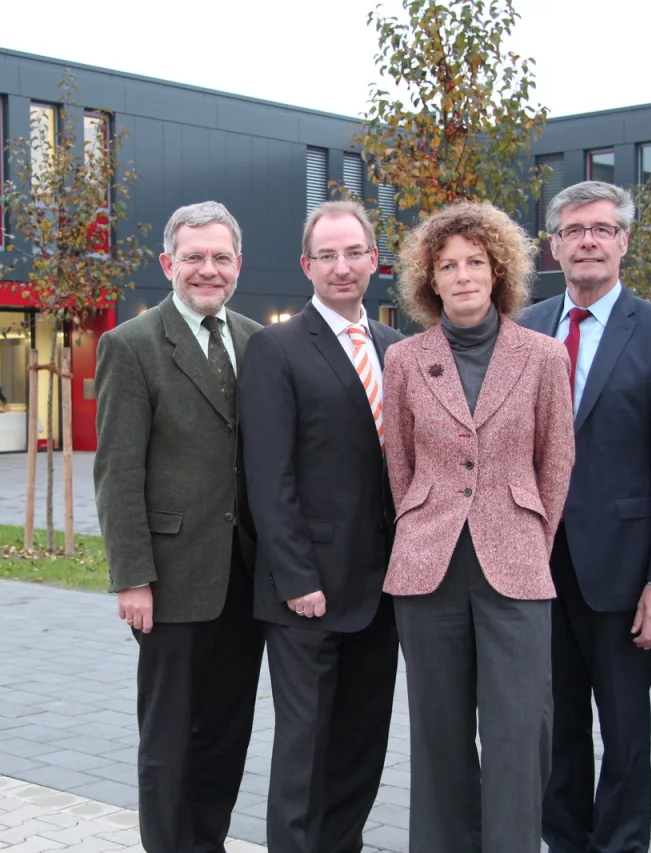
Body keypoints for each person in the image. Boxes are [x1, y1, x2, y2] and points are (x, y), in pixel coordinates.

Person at [381, 201, 575, 852]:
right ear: (429, 280)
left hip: (515, 564)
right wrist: (424, 524)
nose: (462, 275)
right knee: (437, 732)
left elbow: (555, 460)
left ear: (498, 272)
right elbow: (400, 463)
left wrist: (529, 539)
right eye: (447, 265)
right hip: (428, 567)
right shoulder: (405, 360)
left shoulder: (543, 356)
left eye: (475, 262)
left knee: (518, 730)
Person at [519, 181, 651, 853]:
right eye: (573, 230)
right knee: (555, 726)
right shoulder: (523, 327)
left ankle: (621, 844)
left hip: (624, 573)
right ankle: (564, 840)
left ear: (624, 241)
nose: (588, 241)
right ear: (554, 246)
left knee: (625, 732)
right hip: (535, 569)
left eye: (601, 229)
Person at [94, 201, 265, 853]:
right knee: (170, 739)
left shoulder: (256, 340)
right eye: (194, 257)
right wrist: (131, 577)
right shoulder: (131, 345)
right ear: (168, 263)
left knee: (227, 733)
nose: (207, 269)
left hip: (245, 578)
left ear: (239, 264)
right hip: (169, 581)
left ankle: (207, 843)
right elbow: (117, 473)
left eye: (220, 257)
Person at [238, 200, 402, 853]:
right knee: (304, 753)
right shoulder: (275, 348)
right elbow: (268, 475)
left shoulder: (396, 347)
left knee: (363, 742)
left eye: (353, 252)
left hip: (385, 589)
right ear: (306, 265)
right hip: (309, 593)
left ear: (374, 260)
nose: (341, 266)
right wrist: (296, 576)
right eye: (326, 255)